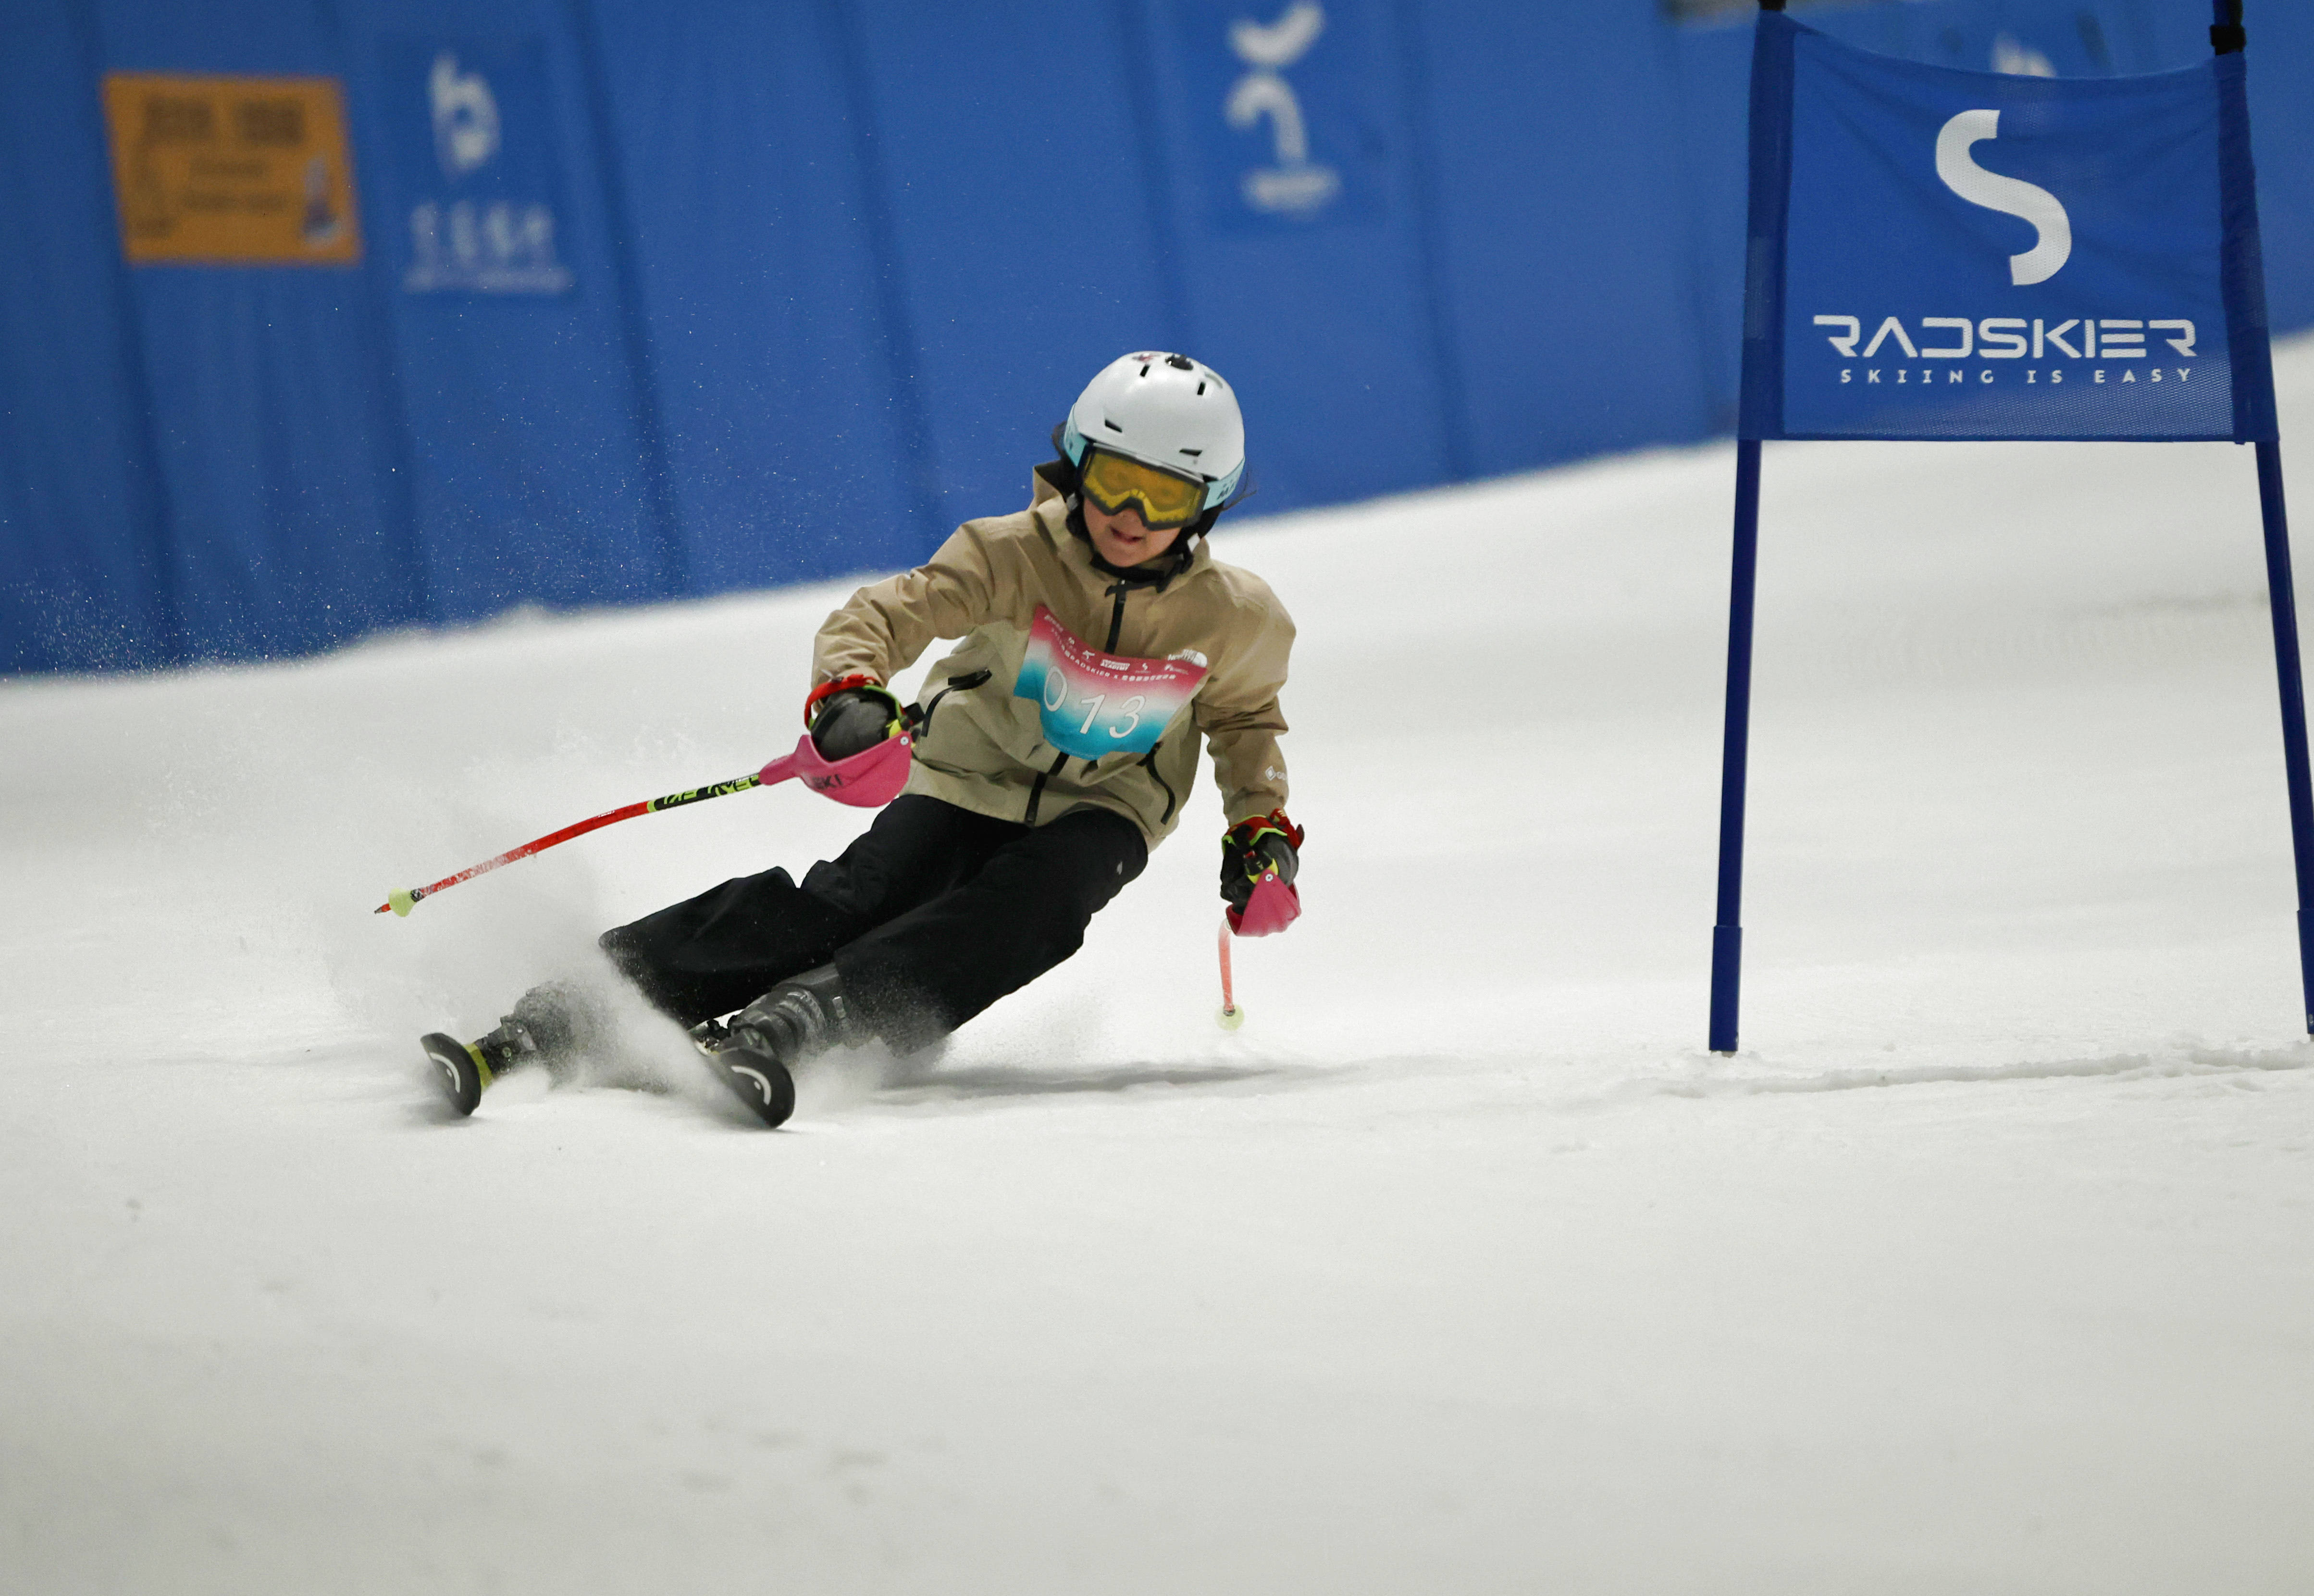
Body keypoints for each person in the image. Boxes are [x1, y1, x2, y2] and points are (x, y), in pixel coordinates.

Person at [422, 352, 1303, 1126]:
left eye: (1166, 496)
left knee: (1042, 903)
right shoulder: (1010, 554)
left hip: (1110, 807)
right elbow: (888, 614)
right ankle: (581, 1004)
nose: (1132, 514)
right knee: (863, 896)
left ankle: (825, 1013)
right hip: (969, 772)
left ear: (1209, 506)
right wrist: (850, 694)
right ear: (1076, 463)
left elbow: (1245, 721)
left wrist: (1260, 831)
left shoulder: (1237, 618)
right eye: (1115, 478)